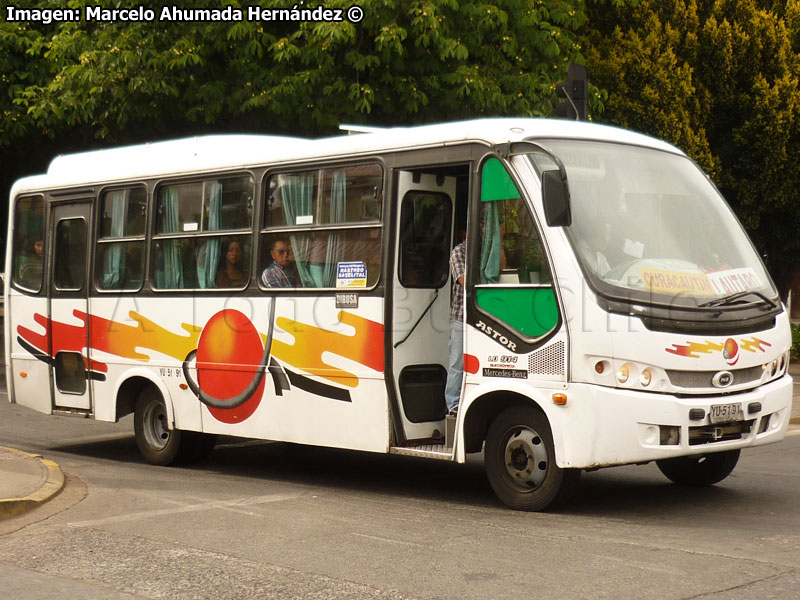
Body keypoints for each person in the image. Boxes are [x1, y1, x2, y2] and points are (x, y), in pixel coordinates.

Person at [445, 235, 466, 415]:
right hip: (460, 316)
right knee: (457, 362)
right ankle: (453, 405)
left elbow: (500, 267)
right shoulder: (459, 251)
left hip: (481, 316)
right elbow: (463, 279)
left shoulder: (487, 251)